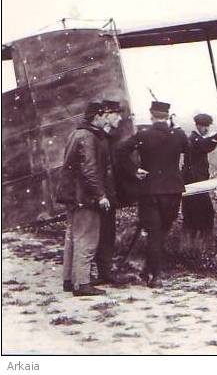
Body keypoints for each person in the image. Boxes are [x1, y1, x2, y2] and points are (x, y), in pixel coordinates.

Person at [116, 101, 188, 288]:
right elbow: (188, 150)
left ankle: (154, 275)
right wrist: (177, 126)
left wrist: (134, 170)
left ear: (152, 116)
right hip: (173, 191)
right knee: (162, 232)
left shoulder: (143, 135)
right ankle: (150, 271)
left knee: (154, 234)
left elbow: (120, 151)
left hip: (150, 191)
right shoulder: (178, 135)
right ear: (168, 116)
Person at [57, 102, 111, 297]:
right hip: (85, 198)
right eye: (105, 115)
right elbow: (89, 170)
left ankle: (69, 280)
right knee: (86, 239)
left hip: (73, 197)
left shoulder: (76, 133)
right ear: (97, 116)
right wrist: (101, 195)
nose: (107, 118)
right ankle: (82, 284)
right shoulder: (89, 137)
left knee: (72, 237)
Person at [181, 113, 217, 248]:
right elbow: (205, 145)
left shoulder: (198, 138)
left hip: (197, 182)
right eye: (203, 126)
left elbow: (206, 144)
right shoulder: (193, 139)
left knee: (192, 215)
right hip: (194, 183)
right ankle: (202, 245)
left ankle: (191, 245)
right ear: (197, 126)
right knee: (205, 213)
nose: (206, 129)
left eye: (207, 127)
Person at [93, 99, 124, 286]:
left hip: (109, 194)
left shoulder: (107, 138)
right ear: (106, 115)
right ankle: (103, 272)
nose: (120, 118)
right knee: (103, 232)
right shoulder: (98, 140)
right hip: (102, 195)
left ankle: (105, 270)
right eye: (116, 114)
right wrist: (101, 195)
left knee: (108, 232)